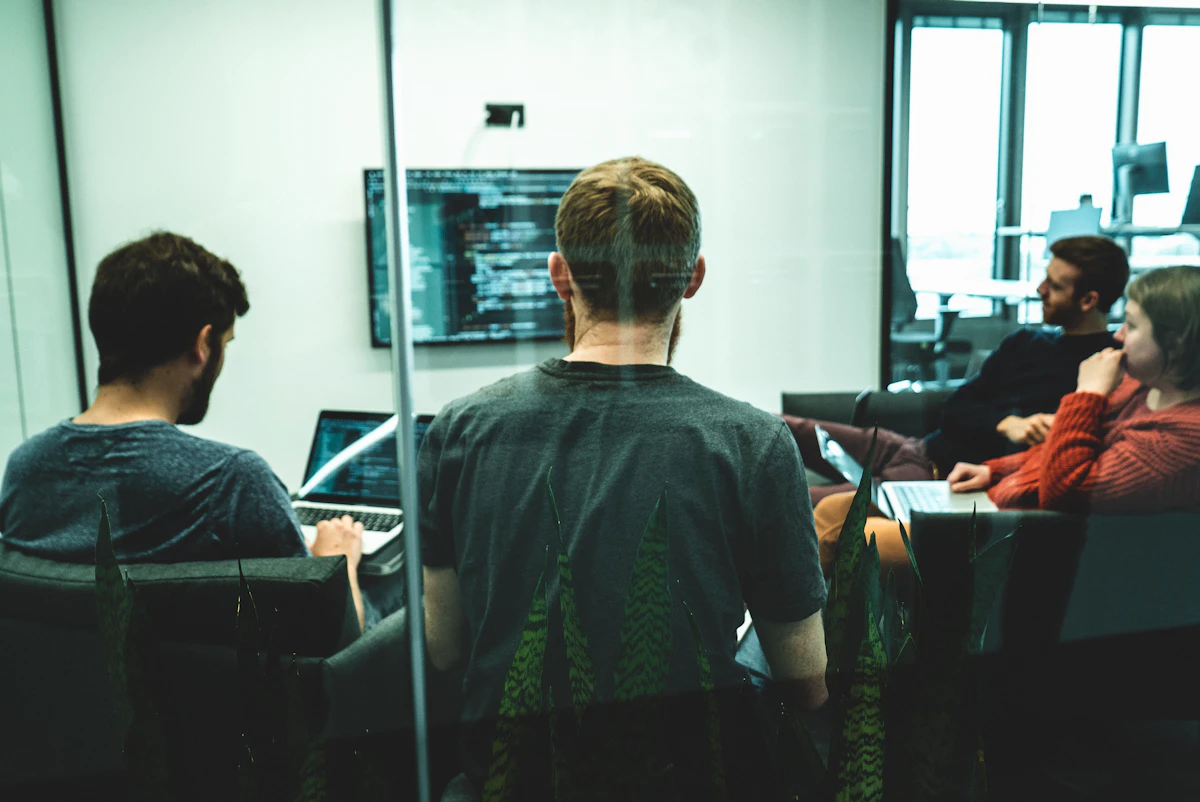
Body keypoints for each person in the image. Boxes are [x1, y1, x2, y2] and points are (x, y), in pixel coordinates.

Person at [418, 157, 829, 799]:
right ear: (693, 279)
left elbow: (444, 649)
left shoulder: (456, 430)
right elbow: (806, 681)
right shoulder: (753, 442)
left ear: (560, 275)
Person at [0, 232, 368, 630]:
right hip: (217, 693)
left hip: (65, 690)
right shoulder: (233, 481)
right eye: (224, 343)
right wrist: (338, 563)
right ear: (203, 344)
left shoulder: (24, 469)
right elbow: (333, 634)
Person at [814, 265, 1200, 571]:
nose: (1118, 337)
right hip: (998, 506)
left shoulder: (1184, 439)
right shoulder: (1140, 386)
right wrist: (995, 470)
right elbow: (1056, 448)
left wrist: (1088, 394)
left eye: (1132, 326)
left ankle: (802, 661)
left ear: (1176, 342)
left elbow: (1066, 491)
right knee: (833, 510)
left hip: (1015, 542)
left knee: (832, 529)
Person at [786, 235, 1129, 504]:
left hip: (932, 478)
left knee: (792, 502)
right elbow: (955, 409)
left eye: (1054, 286)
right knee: (767, 428)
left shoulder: (1104, 375)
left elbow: (1054, 458)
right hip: (910, 447)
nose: (1040, 289)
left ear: (1088, 300)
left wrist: (1009, 428)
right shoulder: (1025, 342)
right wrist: (1008, 423)